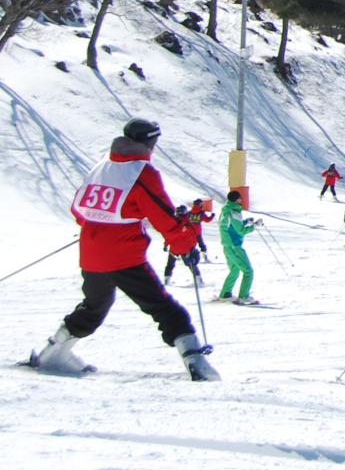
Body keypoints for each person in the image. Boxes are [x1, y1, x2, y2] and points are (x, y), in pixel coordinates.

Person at [31, 119, 216, 381]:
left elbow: (79, 207)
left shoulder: (102, 165)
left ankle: (53, 353)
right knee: (164, 308)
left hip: (91, 251)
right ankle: (197, 364)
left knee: (94, 306)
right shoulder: (142, 171)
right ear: (151, 143)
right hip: (122, 255)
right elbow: (162, 215)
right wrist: (186, 246)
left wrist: (98, 226)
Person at [217, 190, 259, 304]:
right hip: (234, 247)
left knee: (235, 270)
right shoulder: (233, 212)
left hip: (227, 246)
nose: (241, 199)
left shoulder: (225, 211)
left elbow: (231, 227)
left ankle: (225, 294)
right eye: (240, 198)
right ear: (236, 199)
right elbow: (240, 231)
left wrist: (246, 221)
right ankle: (244, 296)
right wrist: (254, 226)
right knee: (248, 271)